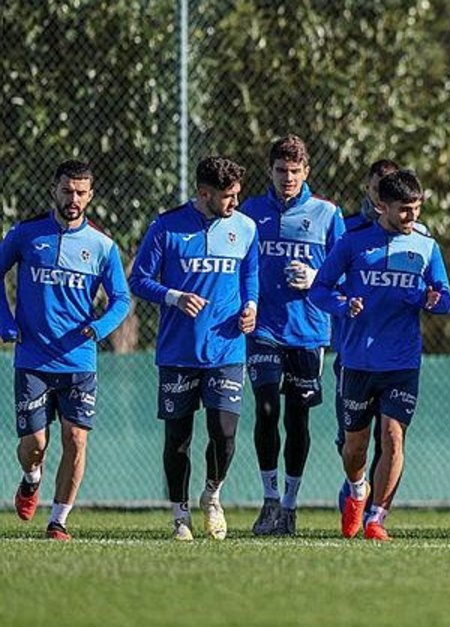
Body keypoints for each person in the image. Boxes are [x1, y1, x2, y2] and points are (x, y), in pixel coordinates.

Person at [310, 169, 450, 541]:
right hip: (358, 361)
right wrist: (343, 305)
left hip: (402, 362)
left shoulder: (426, 246)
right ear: (381, 206)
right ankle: (357, 489)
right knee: (354, 447)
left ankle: (377, 518)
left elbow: (445, 299)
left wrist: (428, 298)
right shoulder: (353, 243)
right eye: (404, 209)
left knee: (393, 437)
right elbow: (319, 289)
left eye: (417, 207)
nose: (412, 216)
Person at [129, 156, 259, 541]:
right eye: (228, 196)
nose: (235, 202)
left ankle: (212, 495)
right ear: (204, 193)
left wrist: (251, 306)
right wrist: (174, 296)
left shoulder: (245, 227)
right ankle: (180, 515)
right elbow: (139, 279)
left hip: (227, 349)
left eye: (237, 194)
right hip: (179, 352)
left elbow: (250, 274)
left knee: (224, 432)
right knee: (178, 438)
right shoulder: (166, 227)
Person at [1, 160, 131, 540]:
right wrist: (6, 322)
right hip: (33, 358)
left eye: (80, 193)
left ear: (90, 196)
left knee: (76, 439)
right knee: (35, 444)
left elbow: (121, 299)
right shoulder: (26, 234)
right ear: (53, 191)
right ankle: (31, 478)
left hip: (79, 360)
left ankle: (58, 520)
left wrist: (99, 328)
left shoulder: (103, 246)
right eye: (67, 191)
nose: (73, 198)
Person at [239, 135, 346, 536]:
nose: (288, 178)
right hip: (263, 328)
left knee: (298, 418)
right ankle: (269, 500)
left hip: (308, 331)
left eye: (295, 171)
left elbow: (347, 272)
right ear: (269, 171)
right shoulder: (250, 213)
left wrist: (317, 277)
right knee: (267, 409)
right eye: (281, 170)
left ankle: (290, 504)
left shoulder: (327, 214)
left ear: (306, 172)